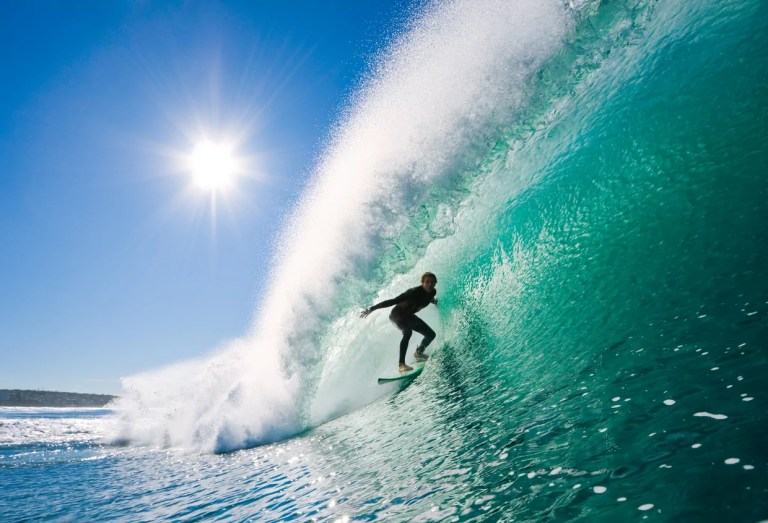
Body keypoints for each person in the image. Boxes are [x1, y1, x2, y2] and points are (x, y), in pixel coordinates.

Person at [360, 272, 438, 373]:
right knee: (407, 332)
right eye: (427, 282)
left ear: (436, 283)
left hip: (409, 316)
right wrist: (371, 309)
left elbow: (428, 298)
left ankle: (418, 353)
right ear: (422, 282)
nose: (430, 284)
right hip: (397, 315)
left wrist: (436, 302)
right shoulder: (413, 292)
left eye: (432, 282)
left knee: (430, 334)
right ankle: (401, 365)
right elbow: (393, 301)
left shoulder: (432, 292)